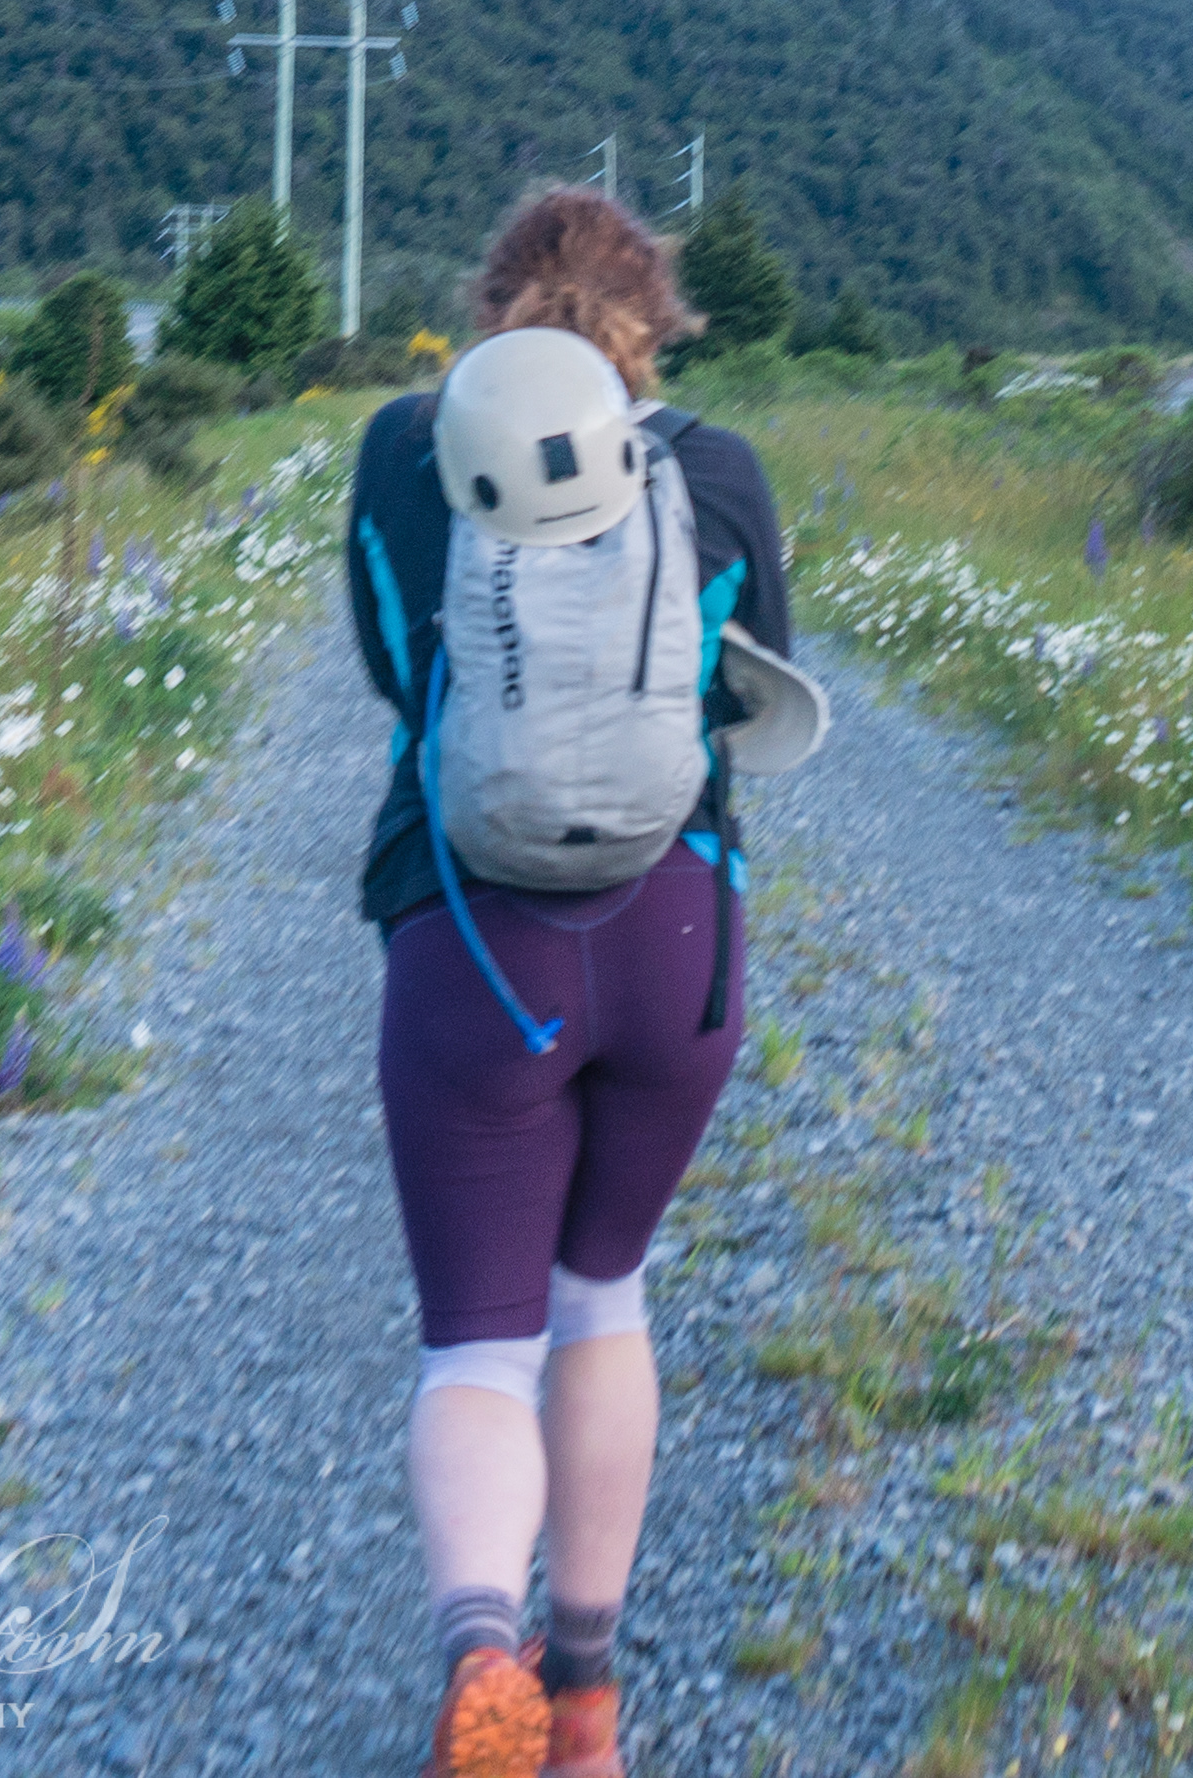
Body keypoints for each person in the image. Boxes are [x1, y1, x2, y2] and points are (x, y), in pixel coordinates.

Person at [345, 189, 794, 1778]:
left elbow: (393, 667)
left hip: (472, 942)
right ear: (655, 318)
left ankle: (485, 1648)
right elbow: (753, 695)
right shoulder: (719, 470)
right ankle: (587, 1707)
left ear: (486, 308)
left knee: (480, 1343)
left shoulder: (405, 451)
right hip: (675, 944)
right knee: (604, 1296)